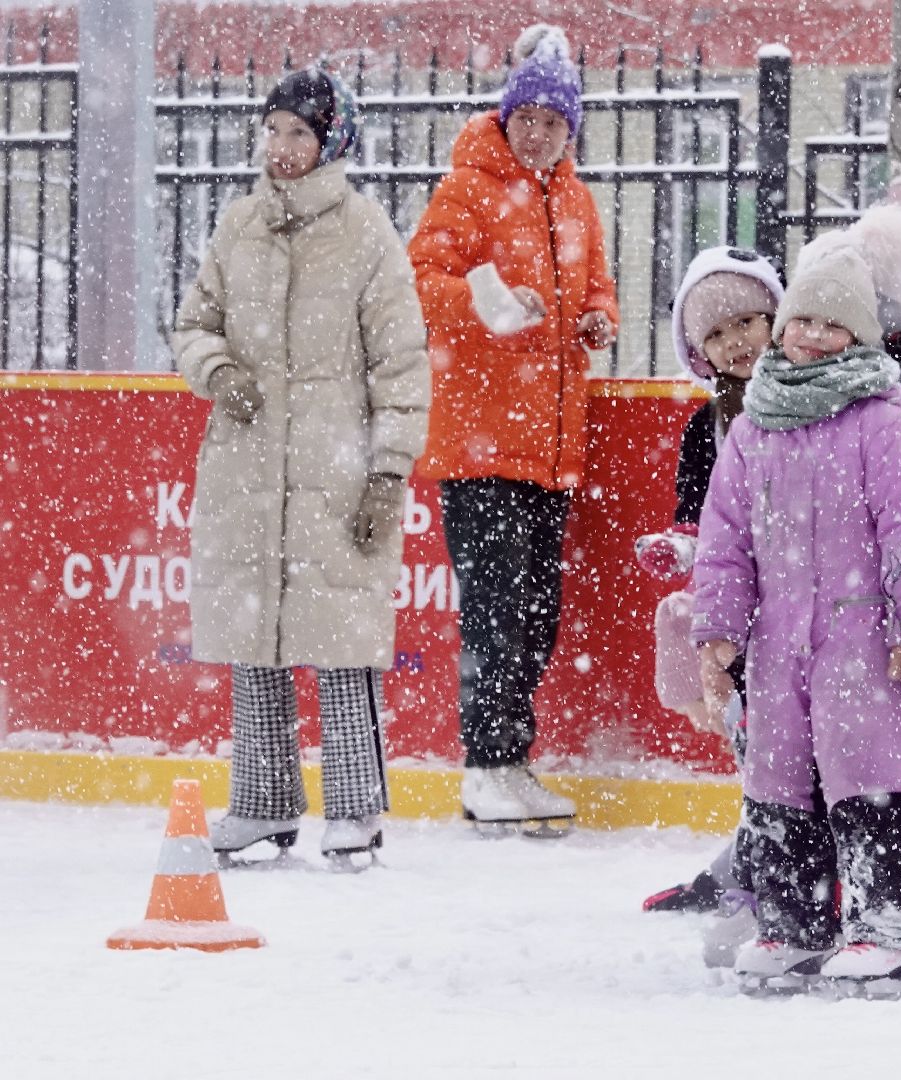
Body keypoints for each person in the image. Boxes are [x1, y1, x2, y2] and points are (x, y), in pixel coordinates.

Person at [173, 67, 430, 864]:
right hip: (247, 469)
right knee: (254, 640)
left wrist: (387, 472)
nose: (281, 146)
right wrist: (218, 370)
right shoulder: (239, 225)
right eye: (273, 129)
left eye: (299, 133)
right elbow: (192, 325)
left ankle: (355, 810)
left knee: (343, 642)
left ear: (331, 142)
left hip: (336, 471)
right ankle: (262, 803)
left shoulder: (366, 234)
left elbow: (401, 365)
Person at [692, 236, 901, 989]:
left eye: (832, 323)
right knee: (776, 777)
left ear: (860, 336)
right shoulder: (752, 429)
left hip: (860, 638)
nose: (811, 334)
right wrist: (716, 634)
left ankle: (886, 924)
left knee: (867, 773)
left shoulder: (883, 426)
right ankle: (791, 924)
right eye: (801, 320)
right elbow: (724, 542)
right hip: (778, 641)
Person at [407, 24, 618, 828]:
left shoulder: (576, 200)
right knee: (495, 613)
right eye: (525, 117)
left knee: (537, 614)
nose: (537, 132)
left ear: (570, 130)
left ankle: (510, 759)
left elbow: (597, 288)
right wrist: (488, 304)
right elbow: (421, 281)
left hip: (551, 447)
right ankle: (485, 764)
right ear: (505, 117)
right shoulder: (467, 190)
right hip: (480, 444)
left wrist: (597, 320)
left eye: (552, 122)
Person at [637, 245, 783, 915]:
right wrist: (679, 546)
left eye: (746, 322)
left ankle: (777, 862)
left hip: (811, 601)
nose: (735, 342)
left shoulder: (815, 403)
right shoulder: (708, 427)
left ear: (777, 318)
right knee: (757, 737)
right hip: (745, 608)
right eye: (717, 334)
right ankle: (757, 858)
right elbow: (697, 517)